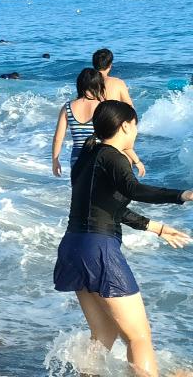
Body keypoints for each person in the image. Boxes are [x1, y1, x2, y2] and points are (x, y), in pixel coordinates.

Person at [53, 100, 193, 377]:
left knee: (103, 333)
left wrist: (158, 228)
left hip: (74, 247)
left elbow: (109, 206)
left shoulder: (87, 157)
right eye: (135, 126)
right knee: (139, 337)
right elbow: (134, 189)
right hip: (99, 249)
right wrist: (181, 195)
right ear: (125, 125)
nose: (136, 132)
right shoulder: (113, 156)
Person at [52, 68, 144, 177]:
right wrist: (136, 161)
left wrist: (55, 160)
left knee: (80, 190)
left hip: (77, 158)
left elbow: (58, 138)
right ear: (99, 85)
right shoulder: (102, 107)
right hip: (100, 156)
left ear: (79, 85)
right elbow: (115, 137)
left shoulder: (67, 107)